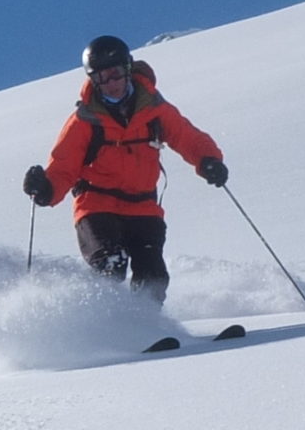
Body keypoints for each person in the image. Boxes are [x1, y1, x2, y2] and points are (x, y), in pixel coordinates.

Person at [22, 36, 229, 302]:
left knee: (153, 276)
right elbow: (64, 165)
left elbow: (187, 137)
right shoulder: (85, 121)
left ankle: (146, 329)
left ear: (128, 70)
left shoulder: (154, 109)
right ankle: (106, 327)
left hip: (143, 206)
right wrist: (46, 189)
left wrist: (208, 160)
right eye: (102, 78)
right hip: (96, 205)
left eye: (116, 74)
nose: (111, 84)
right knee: (111, 264)